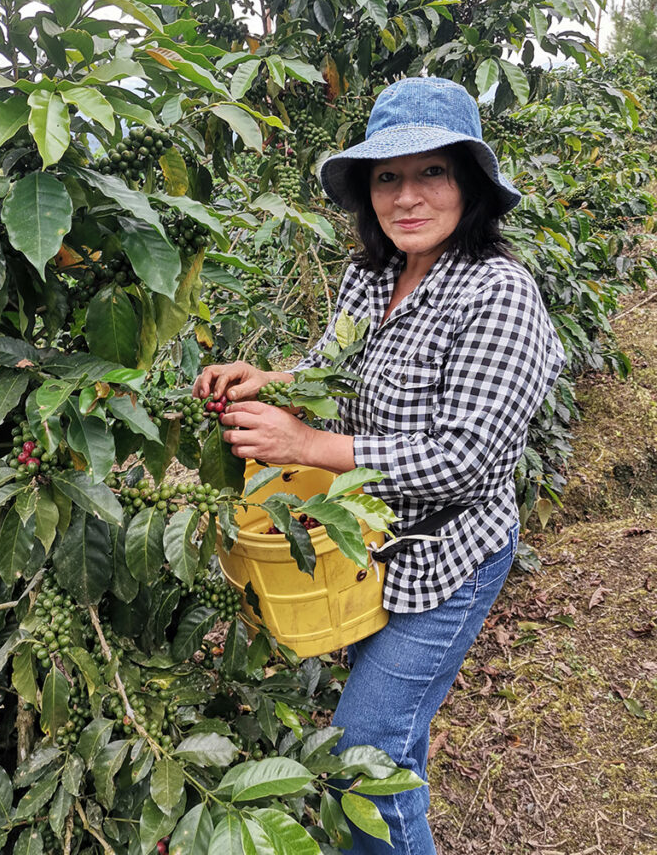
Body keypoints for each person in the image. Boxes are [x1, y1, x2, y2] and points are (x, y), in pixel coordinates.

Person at [193, 77, 565, 854]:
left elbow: (462, 459)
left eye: (432, 172)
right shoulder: (374, 273)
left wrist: (308, 448)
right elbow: (334, 368)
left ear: (470, 184)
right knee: (392, 743)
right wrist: (272, 380)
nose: (407, 196)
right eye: (388, 177)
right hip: (367, 544)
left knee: (357, 758)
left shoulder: (498, 295)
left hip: (449, 555)